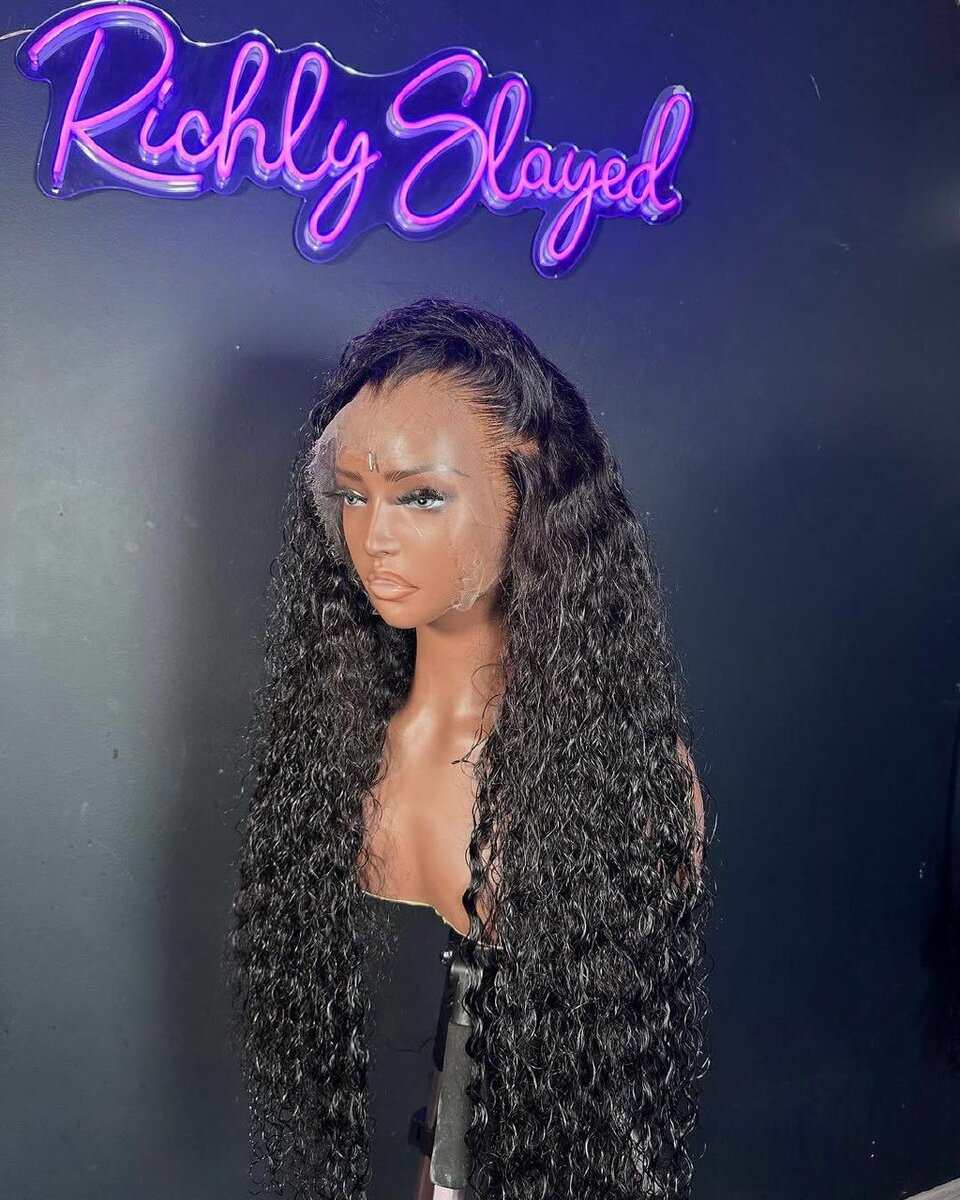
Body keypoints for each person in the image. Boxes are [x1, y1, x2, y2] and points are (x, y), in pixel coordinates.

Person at [227, 295, 711, 1200]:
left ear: (529, 494)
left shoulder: (615, 779)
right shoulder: (347, 750)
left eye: (421, 496)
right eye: (353, 495)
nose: (374, 538)